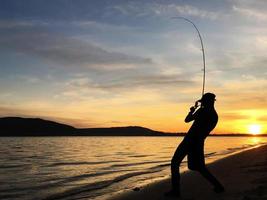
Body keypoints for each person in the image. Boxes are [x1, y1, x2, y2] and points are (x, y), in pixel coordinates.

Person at [165, 92, 224, 197]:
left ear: (207, 102)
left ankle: (176, 191)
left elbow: (187, 120)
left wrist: (193, 110)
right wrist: (196, 110)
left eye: (204, 102)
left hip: (189, 141)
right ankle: (218, 186)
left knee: (175, 162)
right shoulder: (214, 115)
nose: (203, 103)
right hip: (198, 143)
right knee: (198, 167)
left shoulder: (203, 111)